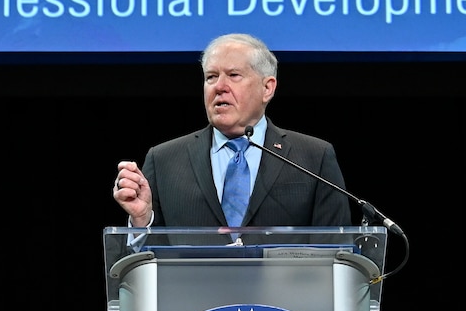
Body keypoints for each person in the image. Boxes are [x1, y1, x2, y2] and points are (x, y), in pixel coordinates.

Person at [113, 33, 351, 229]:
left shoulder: (313, 158)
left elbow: (336, 251)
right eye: (211, 77)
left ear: (267, 88)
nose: (219, 87)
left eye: (234, 75)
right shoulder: (164, 159)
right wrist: (142, 220)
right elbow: (146, 261)